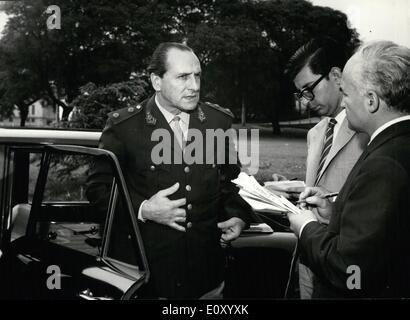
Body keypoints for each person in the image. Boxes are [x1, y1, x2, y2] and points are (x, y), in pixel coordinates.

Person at [86, 42, 253, 299]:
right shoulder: (124, 127)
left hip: (206, 277)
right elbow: (98, 189)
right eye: (183, 77)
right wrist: (144, 209)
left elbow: (226, 183)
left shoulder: (217, 121)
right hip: (146, 279)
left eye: (197, 76)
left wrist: (237, 215)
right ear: (156, 81)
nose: (194, 86)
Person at [288, 40, 410, 298]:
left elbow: (351, 270)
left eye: (347, 93)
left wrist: (307, 227)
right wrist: (333, 213)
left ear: (371, 101)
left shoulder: (384, 163)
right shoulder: (397, 145)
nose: (344, 104)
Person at [275, 38, 369, 299]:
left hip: (346, 264)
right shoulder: (316, 133)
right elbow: (320, 186)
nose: (305, 101)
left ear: (337, 76)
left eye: (309, 89)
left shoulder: (368, 129)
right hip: (308, 260)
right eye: (300, 94)